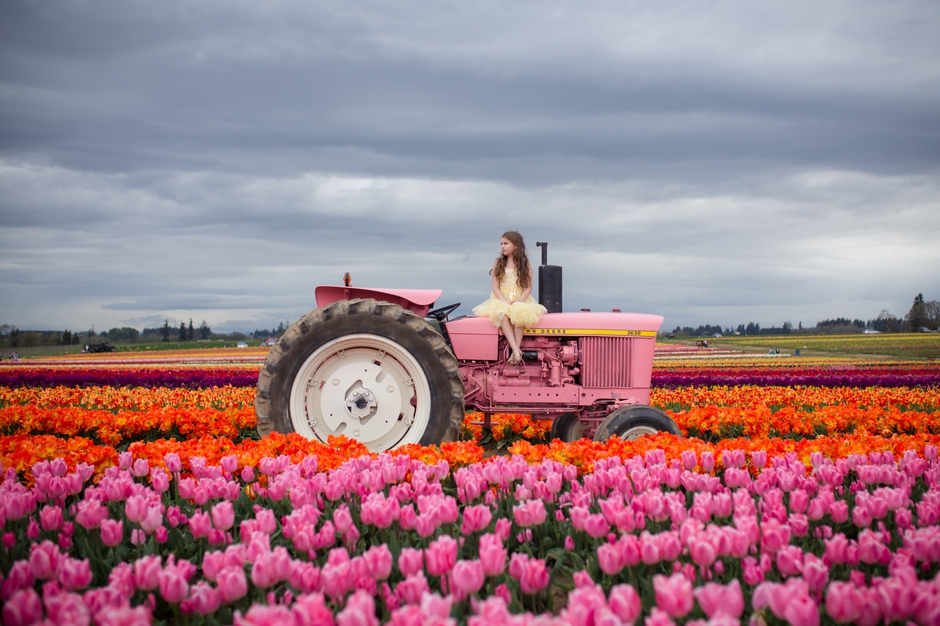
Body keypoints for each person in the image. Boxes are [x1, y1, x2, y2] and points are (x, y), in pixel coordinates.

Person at [472, 231, 547, 364]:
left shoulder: (525, 264)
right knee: (503, 315)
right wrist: (504, 300)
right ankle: (516, 350)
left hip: (520, 297)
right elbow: (495, 287)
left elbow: (528, 287)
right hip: (500, 298)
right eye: (501, 244)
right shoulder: (498, 263)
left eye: (506, 243)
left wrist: (519, 301)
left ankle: (515, 352)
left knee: (520, 315)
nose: (502, 246)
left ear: (516, 245)